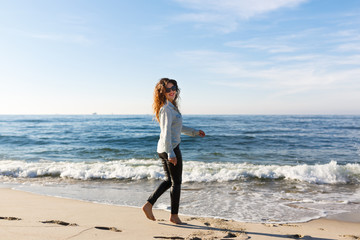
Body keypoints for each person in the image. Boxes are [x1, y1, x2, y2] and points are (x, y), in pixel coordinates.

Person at [142, 78, 205, 224]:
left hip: (164, 148)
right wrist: (171, 153)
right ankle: (174, 216)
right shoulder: (166, 109)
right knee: (176, 182)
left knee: (169, 181)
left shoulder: (171, 107)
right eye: (168, 90)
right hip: (170, 148)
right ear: (162, 93)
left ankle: (148, 205)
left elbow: (178, 128)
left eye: (173, 88)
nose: (172, 91)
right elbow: (165, 133)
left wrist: (195, 132)